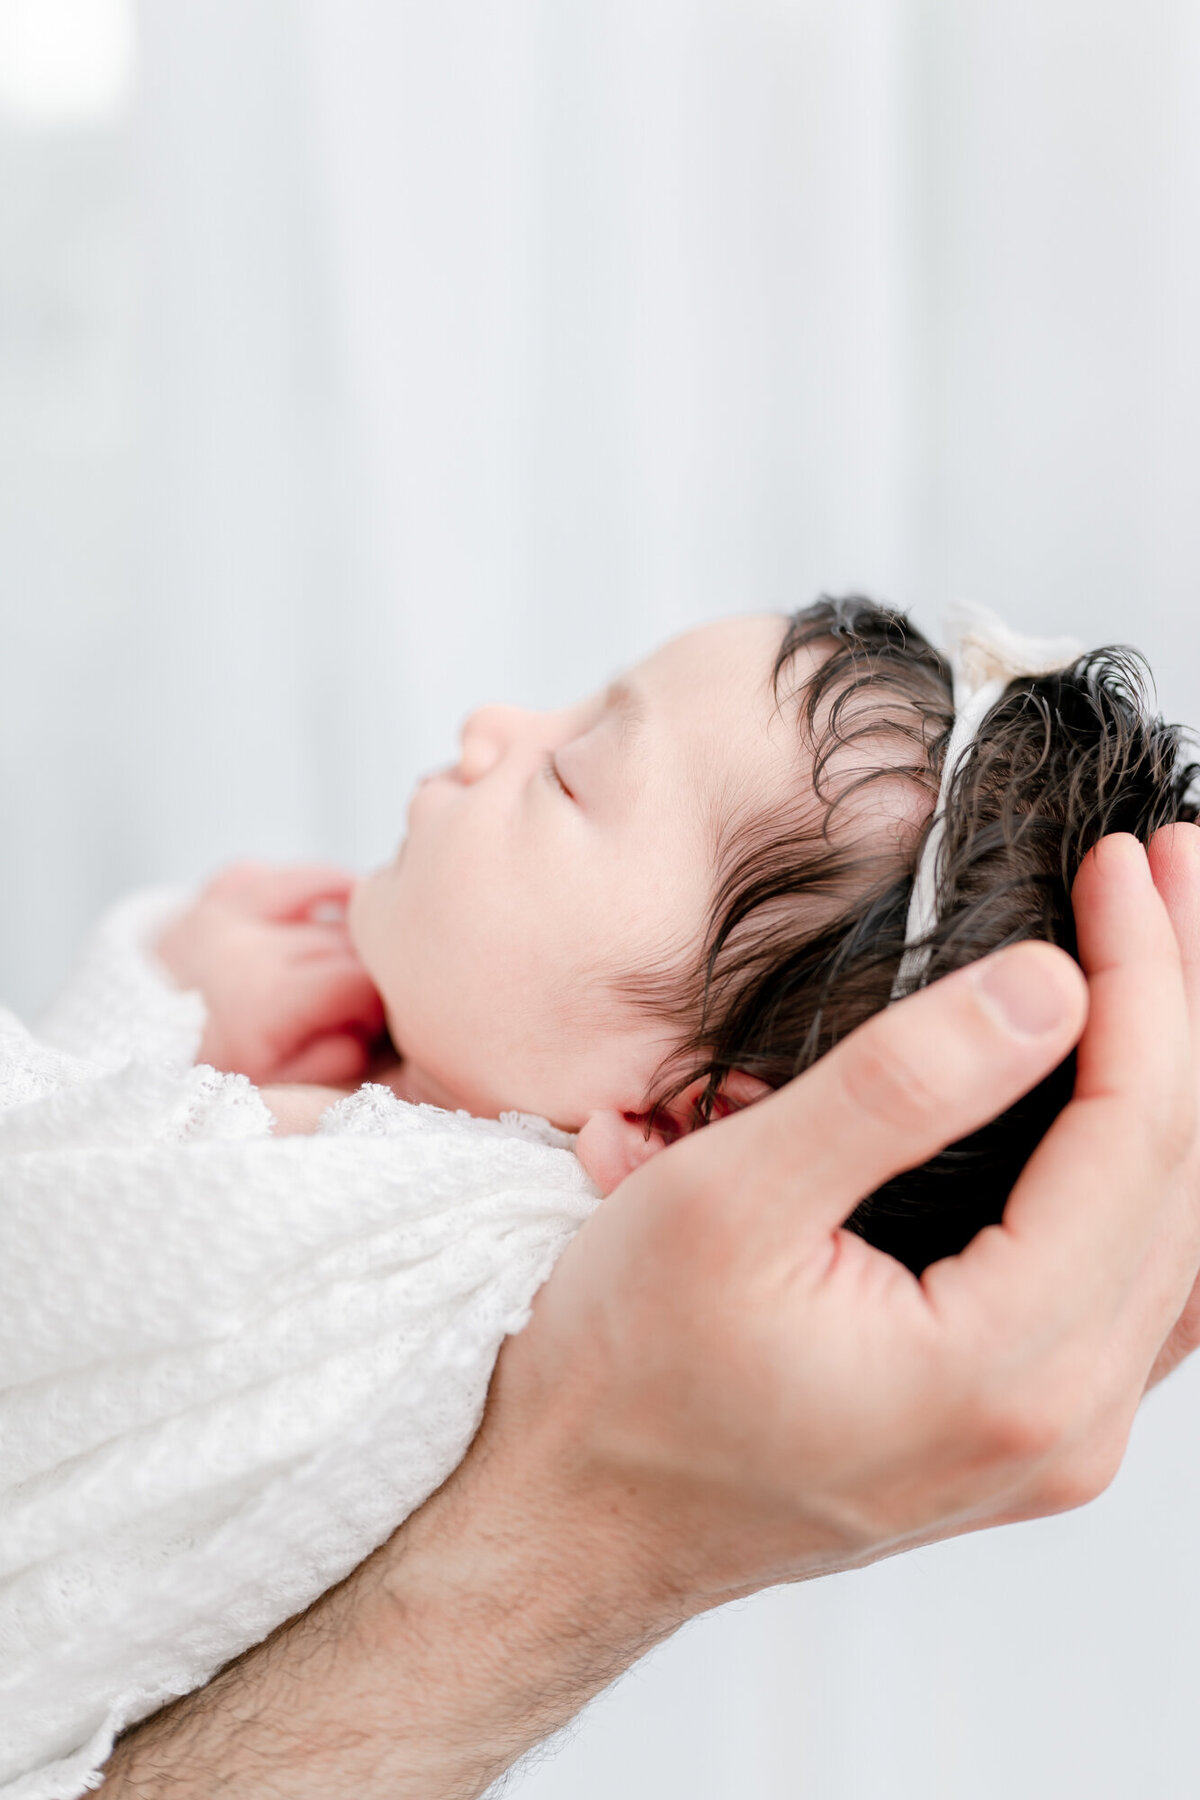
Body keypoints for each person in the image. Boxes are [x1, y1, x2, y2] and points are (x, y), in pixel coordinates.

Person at [98, 824, 1200, 1799]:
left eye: (572, 781)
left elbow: (64, 1203)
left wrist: (153, 1026)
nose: (494, 731)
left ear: (685, 1127)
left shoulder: (422, 1221)